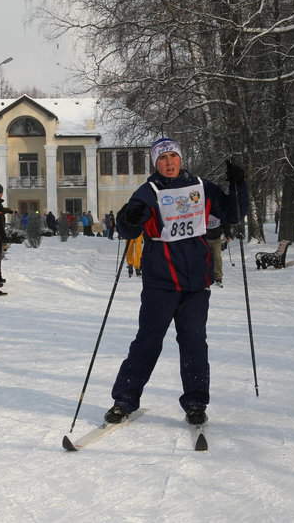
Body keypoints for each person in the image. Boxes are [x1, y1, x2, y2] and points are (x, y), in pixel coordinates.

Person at [104, 137, 247, 426]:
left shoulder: (201, 186)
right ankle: (124, 400)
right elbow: (127, 229)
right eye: (162, 158)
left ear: (181, 159)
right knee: (147, 341)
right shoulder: (149, 191)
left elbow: (232, 213)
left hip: (196, 281)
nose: (169, 163)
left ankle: (196, 402)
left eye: (173, 156)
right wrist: (129, 217)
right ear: (155, 163)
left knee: (194, 342)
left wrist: (239, 185)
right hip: (161, 281)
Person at [205, 215, 232, 287]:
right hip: (205, 238)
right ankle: (206, 276)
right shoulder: (204, 209)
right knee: (206, 257)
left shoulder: (218, 211)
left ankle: (218, 277)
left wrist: (227, 234)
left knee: (217, 257)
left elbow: (225, 222)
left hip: (216, 239)